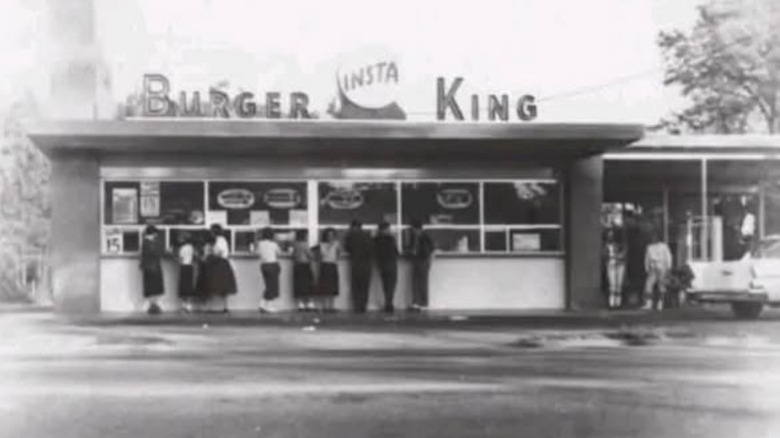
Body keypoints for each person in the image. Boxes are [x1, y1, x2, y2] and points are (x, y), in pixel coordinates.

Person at [202, 224, 238, 313]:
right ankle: (224, 306)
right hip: (222, 263)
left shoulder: (219, 240)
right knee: (223, 286)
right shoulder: (222, 240)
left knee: (212, 284)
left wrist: (209, 254)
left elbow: (218, 252)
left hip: (218, 263)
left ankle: (210, 306)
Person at [344, 220, 375, 314]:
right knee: (365, 286)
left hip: (356, 264)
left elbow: (347, 248)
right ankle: (363, 306)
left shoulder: (350, 236)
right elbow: (372, 249)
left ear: (353, 227)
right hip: (367, 264)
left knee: (356, 286)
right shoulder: (367, 236)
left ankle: (357, 306)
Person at [406, 218, 435, 311]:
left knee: (423, 282)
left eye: (413, 229)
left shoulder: (426, 236)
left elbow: (432, 250)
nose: (413, 231)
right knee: (415, 282)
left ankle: (424, 303)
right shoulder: (413, 237)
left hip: (423, 260)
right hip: (416, 260)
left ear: (417, 228)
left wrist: (430, 262)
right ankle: (416, 302)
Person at [373, 221, 399, 313]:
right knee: (391, 284)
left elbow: (374, 252)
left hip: (382, 264)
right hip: (391, 264)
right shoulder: (390, 239)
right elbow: (396, 252)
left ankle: (387, 302)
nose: (389, 230)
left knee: (385, 284)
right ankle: (389, 303)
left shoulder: (376, 239)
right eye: (388, 229)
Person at [644, 232, 673, 311]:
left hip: (662, 267)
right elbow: (647, 258)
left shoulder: (664, 246)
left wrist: (668, 267)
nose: (653, 239)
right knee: (648, 285)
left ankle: (660, 303)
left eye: (655, 237)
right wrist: (647, 267)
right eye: (652, 237)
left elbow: (668, 257)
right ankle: (649, 303)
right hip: (653, 268)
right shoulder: (649, 247)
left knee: (661, 286)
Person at [139, 225, 165, 314]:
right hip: (155, 267)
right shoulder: (153, 242)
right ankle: (154, 306)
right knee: (156, 287)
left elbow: (144, 255)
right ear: (153, 233)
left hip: (148, 267)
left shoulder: (144, 242)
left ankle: (152, 305)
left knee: (150, 287)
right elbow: (159, 253)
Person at [257, 227, 283, 313]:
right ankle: (269, 306)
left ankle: (262, 304)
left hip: (264, 265)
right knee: (273, 286)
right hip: (272, 264)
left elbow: (257, 253)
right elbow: (279, 253)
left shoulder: (260, 244)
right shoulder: (273, 244)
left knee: (268, 285)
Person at [315, 227, 341, 312]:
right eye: (329, 235)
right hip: (325, 265)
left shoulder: (337, 243)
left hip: (332, 265)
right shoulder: (322, 244)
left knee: (333, 287)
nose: (330, 237)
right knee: (325, 287)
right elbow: (323, 255)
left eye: (332, 235)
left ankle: (331, 306)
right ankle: (324, 306)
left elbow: (338, 254)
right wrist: (331, 245)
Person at [291, 229, 315, 312]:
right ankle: (309, 304)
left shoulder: (295, 244)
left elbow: (293, 255)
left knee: (299, 285)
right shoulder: (305, 244)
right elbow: (310, 255)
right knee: (308, 285)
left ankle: (300, 304)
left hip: (297, 266)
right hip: (305, 266)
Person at [604, 228, 626, 309]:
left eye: (612, 234)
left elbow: (624, 254)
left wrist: (617, 256)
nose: (610, 236)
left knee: (619, 284)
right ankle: (612, 303)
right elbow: (604, 255)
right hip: (611, 265)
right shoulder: (607, 245)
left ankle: (618, 303)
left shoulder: (622, 245)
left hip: (620, 265)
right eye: (609, 235)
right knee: (612, 284)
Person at [175, 231, 197, 313]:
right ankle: (189, 305)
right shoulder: (191, 247)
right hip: (190, 267)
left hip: (183, 267)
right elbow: (194, 257)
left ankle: (184, 306)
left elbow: (180, 260)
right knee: (189, 286)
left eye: (180, 238)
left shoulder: (182, 248)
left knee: (183, 287)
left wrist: (172, 256)